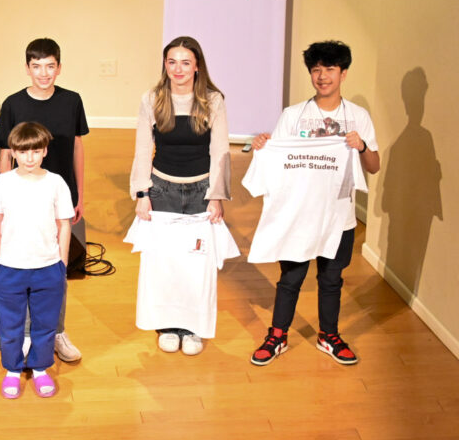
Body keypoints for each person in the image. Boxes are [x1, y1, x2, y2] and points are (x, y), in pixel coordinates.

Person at [249, 40, 379, 366]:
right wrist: (264, 146)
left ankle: (328, 336)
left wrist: (362, 147)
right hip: (299, 215)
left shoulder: (358, 117)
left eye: (330, 69)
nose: (322, 76)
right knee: (290, 278)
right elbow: (278, 160)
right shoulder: (293, 115)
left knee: (331, 280)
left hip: (340, 216)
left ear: (343, 73)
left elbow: (375, 166)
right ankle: (277, 335)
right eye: (316, 70)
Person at [129, 36, 230, 356]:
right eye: (172, 62)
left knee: (196, 267)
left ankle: (192, 327)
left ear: (197, 66)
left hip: (201, 193)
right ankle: (168, 326)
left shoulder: (212, 100)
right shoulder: (153, 99)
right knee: (165, 264)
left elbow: (220, 151)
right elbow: (143, 149)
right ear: (165, 65)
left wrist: (216, 196)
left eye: (186, 62)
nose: (178, 69)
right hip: (163, 191)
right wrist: (142, 193)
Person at [0, 38, 88, 363]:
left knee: (57, 267)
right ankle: (26, 336)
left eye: (50, 66)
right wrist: (4, 201)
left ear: (59, 68)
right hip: (21, 200)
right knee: (22, 267)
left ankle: (56, 331)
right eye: (37, 66)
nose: (43, 73)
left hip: (59, 197)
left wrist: (79, 194)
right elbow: (5, 154)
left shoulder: (72, 101)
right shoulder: (13, 104)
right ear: (27, 68)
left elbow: (77, 147)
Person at [0, 122, 73, 399]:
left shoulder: (56, 183)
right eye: (23, 152)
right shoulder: (2, 183)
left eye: (36, 151)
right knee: (10, 325)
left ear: (45, 151)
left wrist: (61, 263)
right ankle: (13, 371)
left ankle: (40, 368)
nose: (29, 158)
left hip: (48, 267)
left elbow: (64, 224)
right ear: (13, 152)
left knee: (45, 323)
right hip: (10, 268)